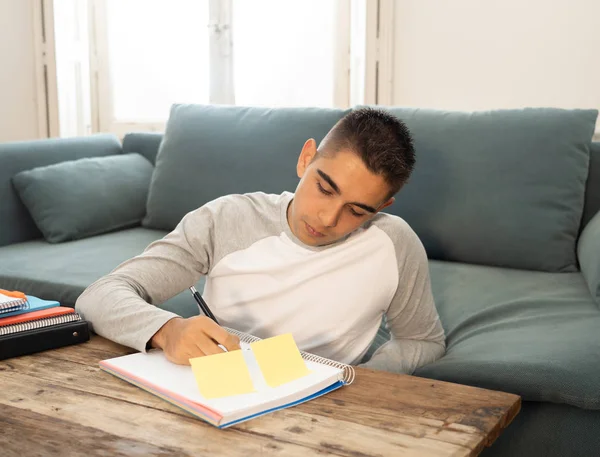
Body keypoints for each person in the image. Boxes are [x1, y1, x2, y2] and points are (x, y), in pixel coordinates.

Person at [75, 107, 445, 374]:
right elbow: (101, 295)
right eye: (324, 188)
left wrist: (367, 378)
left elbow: (423, 341)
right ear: (305, 159)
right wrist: (166, 331)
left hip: (326, 406)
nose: (327, 218)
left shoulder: (395, 244)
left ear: (382, 206)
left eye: (358, 210)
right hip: (223, 389)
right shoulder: (226, 219)